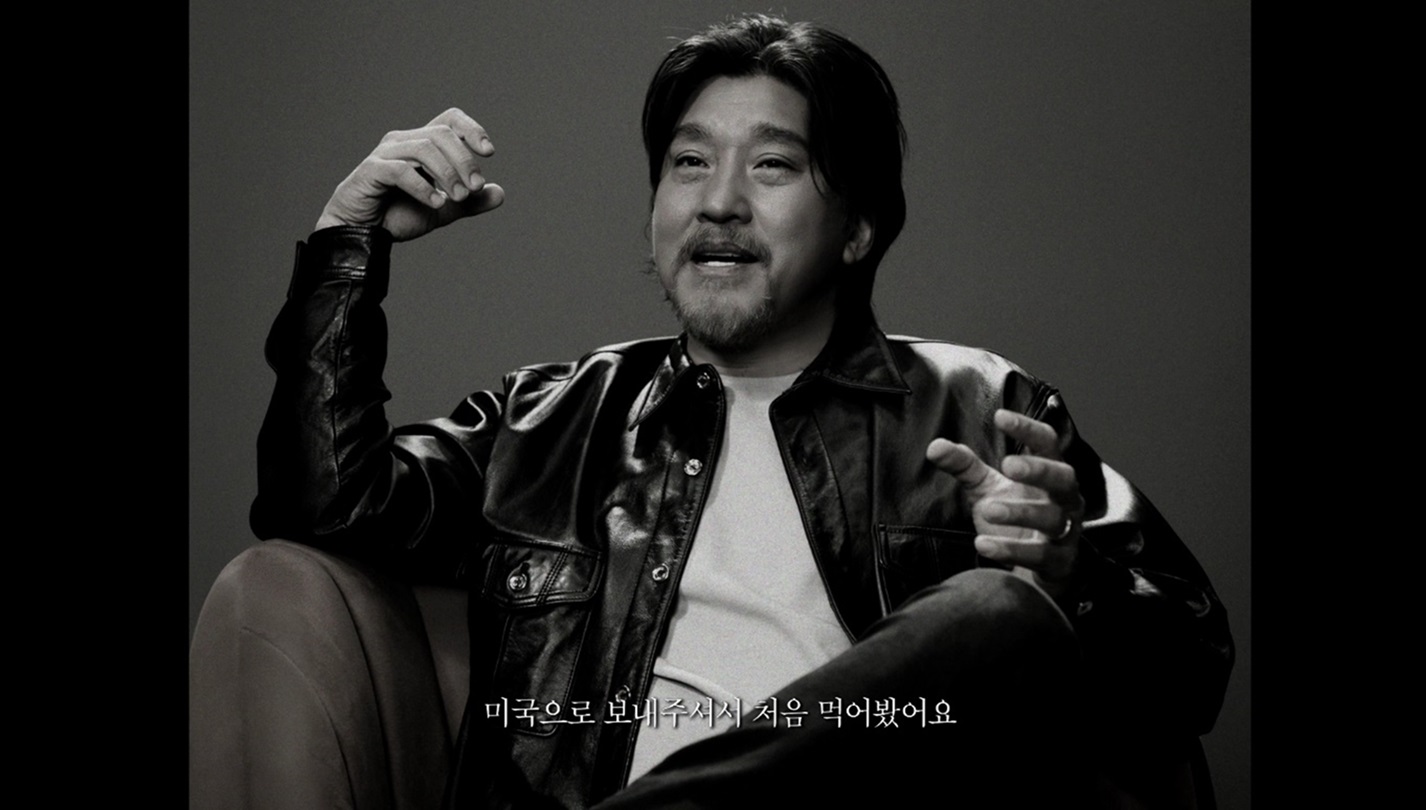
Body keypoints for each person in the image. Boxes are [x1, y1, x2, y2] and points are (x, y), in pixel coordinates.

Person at [236, 13, 1231, 809]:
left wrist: (1069, 577)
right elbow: (324, 505)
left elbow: (1191, 664)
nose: (718, 202)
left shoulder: (984, 409)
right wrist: (347, 241)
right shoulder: (547, 421)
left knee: (999, 613)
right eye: (688, 163)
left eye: (772, 166)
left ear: (857, 226)